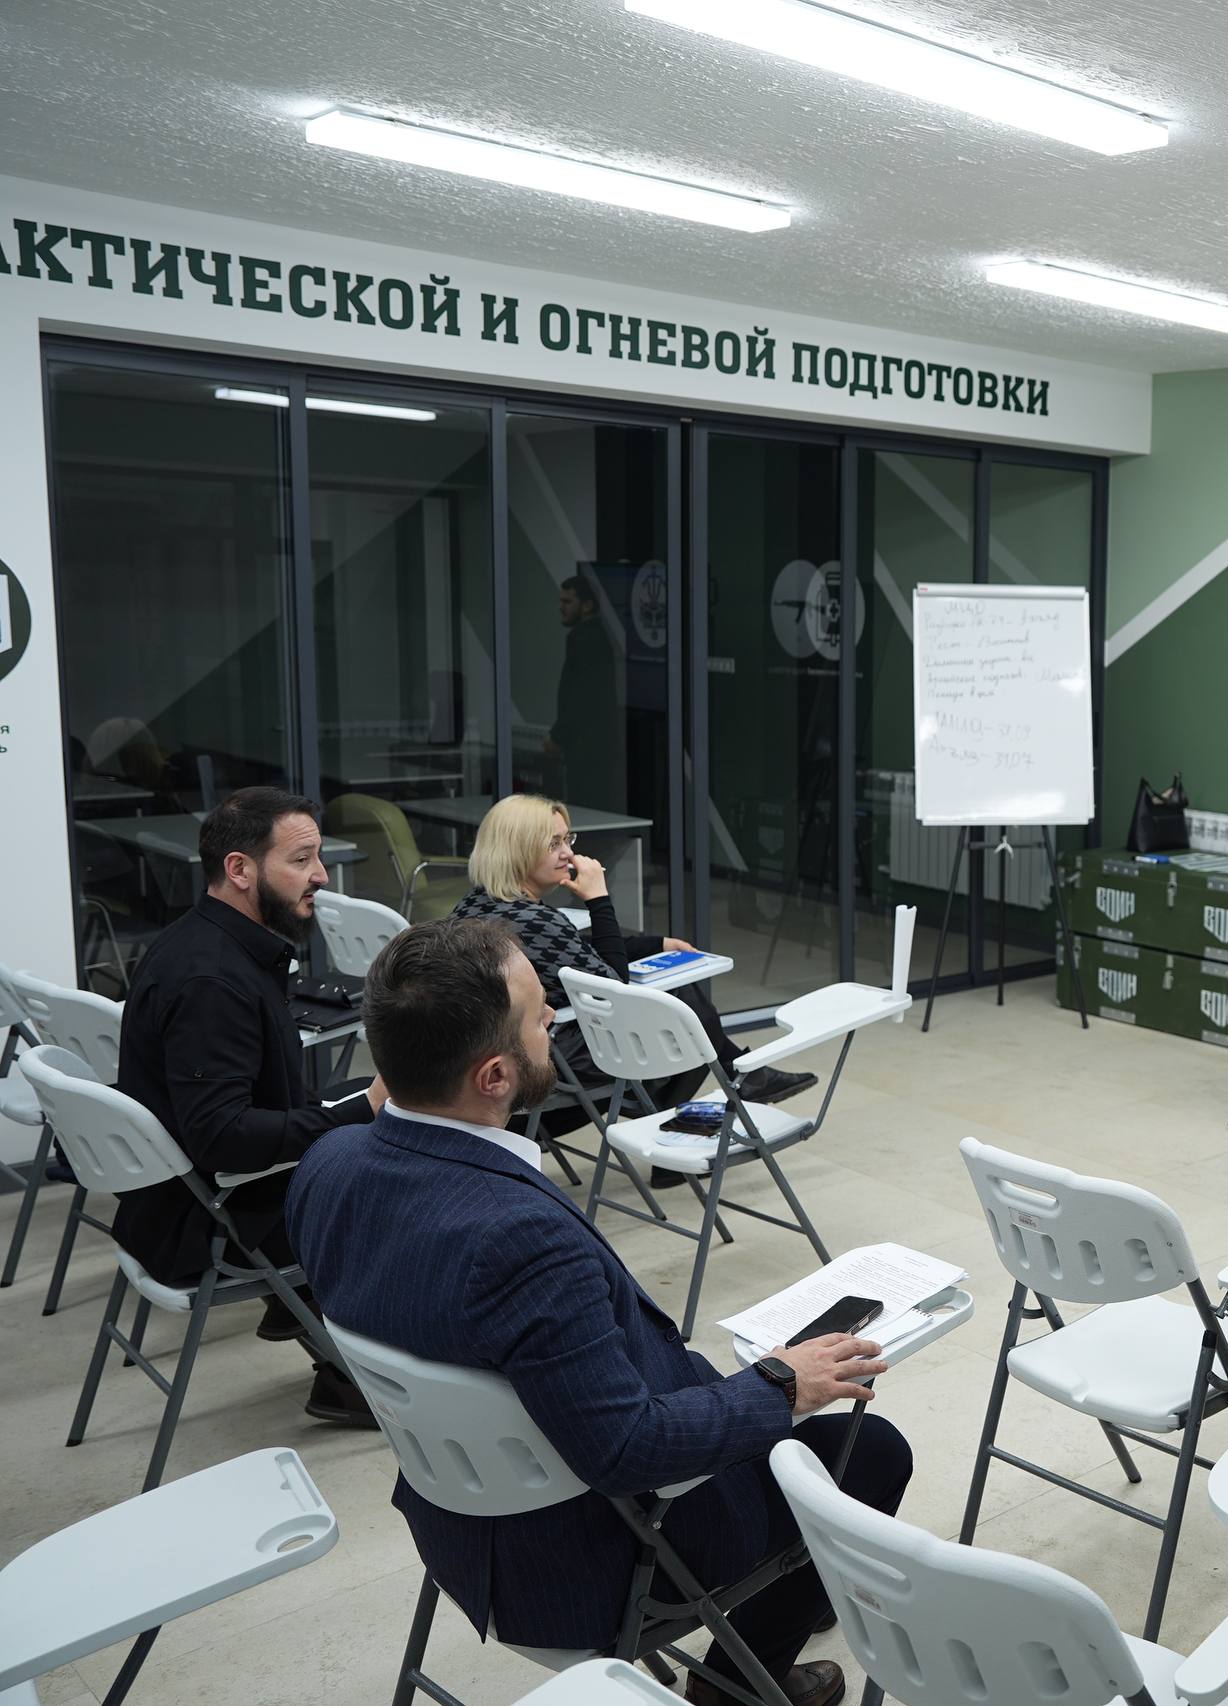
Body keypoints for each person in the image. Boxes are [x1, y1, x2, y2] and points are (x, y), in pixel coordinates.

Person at [286, 917, 908, 1706]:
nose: (555, 1016)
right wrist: (784, 1383)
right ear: (493, 1076)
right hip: (600, 1558)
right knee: (870, 1450)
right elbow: (629, 1450)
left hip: (456, 1528)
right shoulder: (517, 1239)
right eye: (537, 1015)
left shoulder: (329, 1165)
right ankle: (735, 1685)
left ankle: (779, 1612)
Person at [110, 787, 388, 1424]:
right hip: (212, 1222)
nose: (322, 876)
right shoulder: (212, 981)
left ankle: (319, 1334)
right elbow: (224, 1137)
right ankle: (362, 1376)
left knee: (371, 1126)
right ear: (239, 869)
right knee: (415, 1183)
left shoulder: (204, 943)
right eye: (302, 860)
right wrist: (360, 1112)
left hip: (179, 1201)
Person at [450, 793, 816, 1113]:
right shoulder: (534, 921)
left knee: (683, 1010)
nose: (568, 853)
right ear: (518, 849)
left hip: (495, 1053)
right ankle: (687, 1106)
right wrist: (598, 898)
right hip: (554, 1062)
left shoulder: (479, 905)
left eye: (568, 839)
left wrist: (655, 945)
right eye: (553, 843)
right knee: (684, 1009)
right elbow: (614, 985)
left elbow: (572, 954)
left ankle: (735, 1080)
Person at [546, 572, 625, 803]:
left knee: (586, 806)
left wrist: (558, 736)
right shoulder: (593, 637)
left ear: (587, 605)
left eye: (568, 601)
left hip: (587, 748)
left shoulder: (585, 640)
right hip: (593, 747)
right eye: (560, 601)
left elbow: (580, 697)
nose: (561, 607)